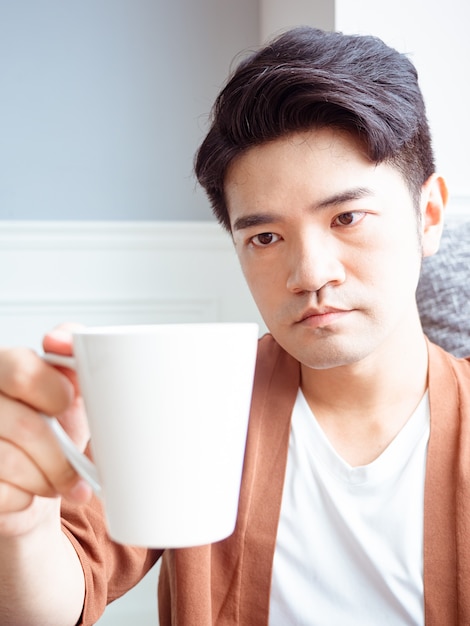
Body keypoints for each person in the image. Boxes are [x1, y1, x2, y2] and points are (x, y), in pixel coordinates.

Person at [0, 25, 468, 626]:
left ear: (428, 216)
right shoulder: (191, 404)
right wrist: (20, 527)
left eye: (347, 217)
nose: (310, 273)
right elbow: (55, 600)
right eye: (265, 237)